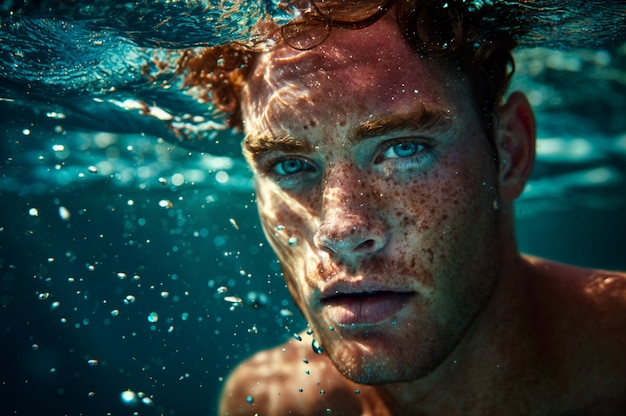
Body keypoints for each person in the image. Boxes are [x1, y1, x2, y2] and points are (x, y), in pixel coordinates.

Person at [182, 1, 626, 414]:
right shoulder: (270, 402)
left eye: (403, 149)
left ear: (510, 151)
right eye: (291, 164)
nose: (340, 231)